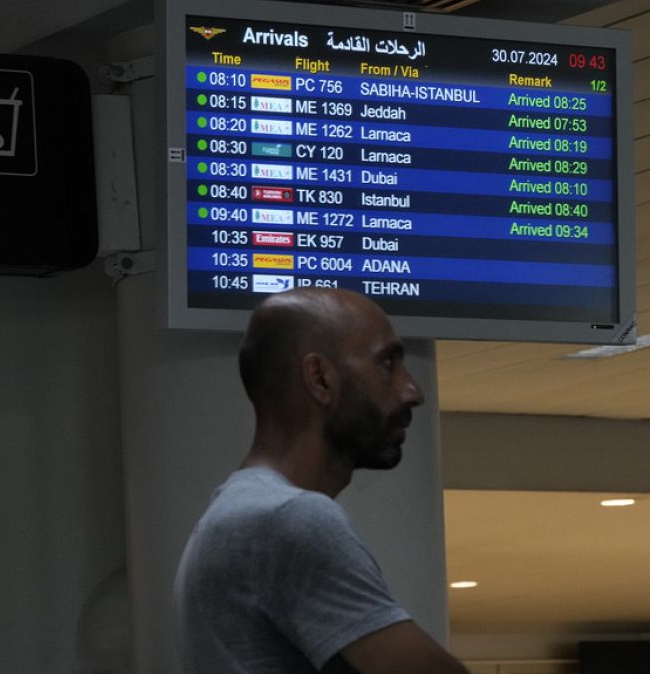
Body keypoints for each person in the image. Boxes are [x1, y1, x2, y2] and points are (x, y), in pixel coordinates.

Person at [174, 288, 468, 674]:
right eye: (387, 363)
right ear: (320, 378)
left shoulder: (234, 515)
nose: (412, 391)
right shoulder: (288, 518)